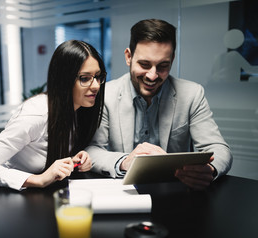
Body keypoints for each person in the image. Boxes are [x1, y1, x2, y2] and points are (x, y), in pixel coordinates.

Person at [86, 19, 232, 190]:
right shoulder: (105, 94)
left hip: (175, 194)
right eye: (144, 64)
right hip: (122, 191)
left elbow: (219, 149)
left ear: (172, 59)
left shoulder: (192, 94)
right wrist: (125, 161)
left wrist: (210, 170)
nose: (152, 76)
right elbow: (92, 150)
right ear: (128, 57)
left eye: (163, 65)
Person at [0, 40, 106, 191]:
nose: (95, 86)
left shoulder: (77, 109)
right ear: (64, 80)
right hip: (8, 196)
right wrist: (39, 179)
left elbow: (48, 156)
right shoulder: (36, 114)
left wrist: (72, 162)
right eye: (85, 78)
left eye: (98, 77)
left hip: (42, 196)